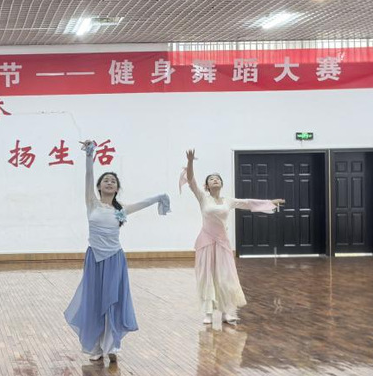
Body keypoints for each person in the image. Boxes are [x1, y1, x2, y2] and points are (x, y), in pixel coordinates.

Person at [64, 140, 170, 363]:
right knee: (95, 301)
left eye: (113, 181)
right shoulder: (92, 203)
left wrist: (159, 197)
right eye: (106, 180)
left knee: (112, 301)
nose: (109, 182)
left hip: (114, 259)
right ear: (99, 186)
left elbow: (143, 203)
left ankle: (111, 345)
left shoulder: (121, 210)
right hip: (95, 259)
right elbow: (88, 176)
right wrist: (89, 155)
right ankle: (95, 346)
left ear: (117, 188)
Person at [181, 149, 284, 325]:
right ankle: (208, 313)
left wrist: (270, 203)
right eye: (211, 179)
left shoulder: (228, 201)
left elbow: (248, 203)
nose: (215, 180)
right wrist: (190, 162)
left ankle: (226, 313)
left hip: (222, 243)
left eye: (218, 179)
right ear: (207, 186)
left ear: (221, 184)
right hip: (206, 242)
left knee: (225, 276)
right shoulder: (203, 197)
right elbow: (191, 180)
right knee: (207, 276)